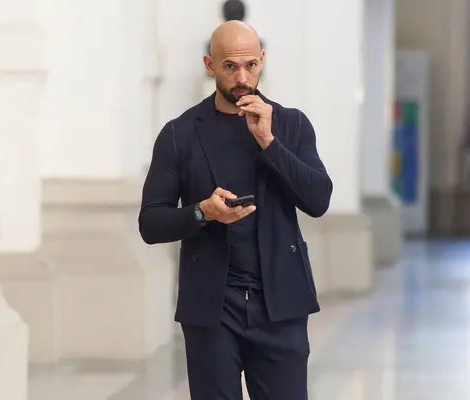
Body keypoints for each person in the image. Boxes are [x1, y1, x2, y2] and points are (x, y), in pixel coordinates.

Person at [138, 20, 332, 399]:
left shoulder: (290, 125)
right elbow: (150, 222)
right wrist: (203, 213)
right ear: (210, 65)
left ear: (262, 61)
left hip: (281, 304)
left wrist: (269, 142)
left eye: (250, 66)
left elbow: (318, 199)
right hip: (212, 308)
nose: (242, 77)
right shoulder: (179, 133)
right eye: (230, 67)